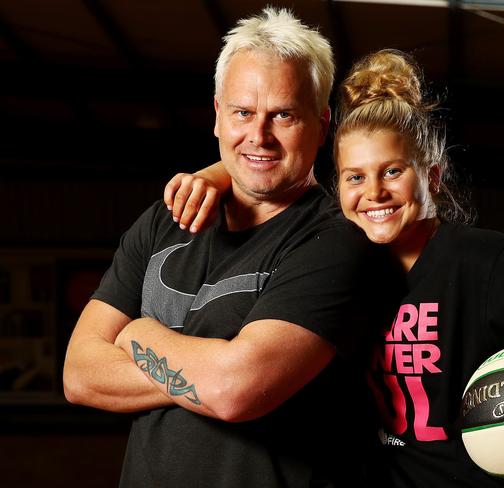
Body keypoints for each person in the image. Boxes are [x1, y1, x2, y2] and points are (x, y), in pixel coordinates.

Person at [166, 48, 504, 488]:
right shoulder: (339, 262)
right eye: (356, 177)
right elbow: (278, 171)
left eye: (393, 171)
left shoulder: (481, 261)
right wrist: (214, 173)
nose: (373, 192)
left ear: (432, 176)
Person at [63, 7, 387, 488]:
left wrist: (139, 334)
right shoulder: (163, 222)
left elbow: (236, 389)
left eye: (283, 115)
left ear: (321, 125)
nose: (258, 135)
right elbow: (79, 374)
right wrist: (207, 374)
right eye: (242, 112)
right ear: (217, 116)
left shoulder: (336, 239)